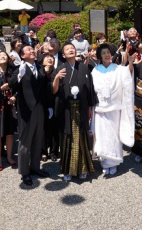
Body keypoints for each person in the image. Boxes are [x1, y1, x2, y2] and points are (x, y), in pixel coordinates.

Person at [52, 42, 98, 181]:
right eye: (67, 49)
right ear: (63, 54)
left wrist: (90, 107)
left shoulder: (83, 68)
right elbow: (54, 91)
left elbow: (89, 88)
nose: (70, 50)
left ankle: (82, 168)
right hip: (66, 110)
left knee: (81, 138)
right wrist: (56, 78)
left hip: (81, 108)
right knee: (67, 139)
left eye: (72, 48)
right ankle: (68, 169)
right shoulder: (60, 69)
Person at [9, 45, 51, 187]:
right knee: (25, 141)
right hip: (26, 109)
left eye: (32, 50)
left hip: (39, 107)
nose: (32, 51)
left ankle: (35, 167)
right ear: (22, 55)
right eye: (28, 50)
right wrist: (19, 75)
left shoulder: (39, 67)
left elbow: (44, 87)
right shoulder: (19, 69)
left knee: (38, 138)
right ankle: (24, 172)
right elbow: (11, 84)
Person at [91, 43, 135, 176]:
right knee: (102, 135)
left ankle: (114, 162)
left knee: (114, 136)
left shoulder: (119, 69)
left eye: (108, 52)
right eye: (103, 53)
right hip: (100, 108)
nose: (107, 55)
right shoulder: (95, 70)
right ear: (99, 56)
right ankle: (104, 162)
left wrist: (131, 64)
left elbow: (128, 80)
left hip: (115, 108)